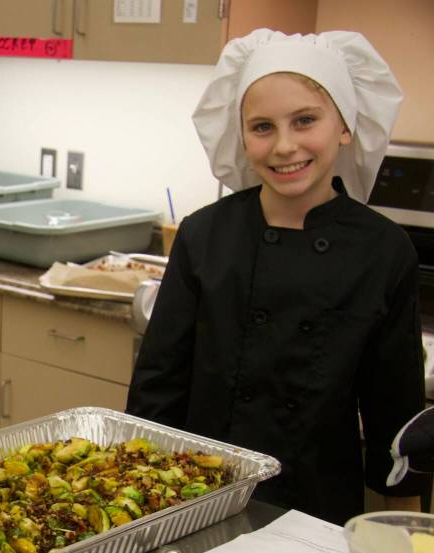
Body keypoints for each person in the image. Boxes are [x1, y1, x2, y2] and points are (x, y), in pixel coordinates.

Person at [126, 29, 431, 526]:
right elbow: (157, 390)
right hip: (194, 499)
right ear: (241, 135)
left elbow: (394, 418)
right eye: (262, 127)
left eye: (305, 120)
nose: (284, 146)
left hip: (315, 509)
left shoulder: (383, 251)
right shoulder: (205, 235)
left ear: (346, 125)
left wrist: (407, 544)